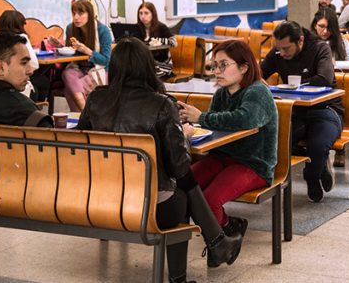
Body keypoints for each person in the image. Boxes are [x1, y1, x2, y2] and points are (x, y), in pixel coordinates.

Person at [78, 38, 242, 280]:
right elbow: (180, 167)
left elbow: (80, 141)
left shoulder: (96, 99)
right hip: (148, 208)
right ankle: (195, 263)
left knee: (183, 190)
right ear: (148, 66)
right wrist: (185, 137)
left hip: (101, 200)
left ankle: (218, 243)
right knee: (183, 194)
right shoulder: (161, 104)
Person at [178, 40, 277, 256]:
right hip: (220, 157)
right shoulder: (222, 93)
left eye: (223, 65)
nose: (217, 71)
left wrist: (201, 117)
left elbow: (246, 119)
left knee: (209, 200)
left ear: (244, 67)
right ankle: (229, 227)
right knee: (181, 187)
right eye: (214, 66)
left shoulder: (257, 91)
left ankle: (222, 240)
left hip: (253, 163)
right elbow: (213, 124)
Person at [261, 21, 343, 203]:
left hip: (326, 110)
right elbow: (259, 72)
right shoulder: (278, 53)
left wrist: (291, 86)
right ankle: (320, 167)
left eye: (286, 49)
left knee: (318, 145)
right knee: (280, 142)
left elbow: (324, 80)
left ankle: (312, 176)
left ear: (301, 40)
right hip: (294, 112)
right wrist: (258, 80)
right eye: (279, 49)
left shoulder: (320, 48)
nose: (282, 54)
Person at [49, 0, 112, 112]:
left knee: (70, 88)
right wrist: (59, 46)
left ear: (90, 14)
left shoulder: (103, 31)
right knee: (67, 73)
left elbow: (106, 60)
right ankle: (85, 114)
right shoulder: (70, 28)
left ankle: (83, 116)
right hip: (78, 68)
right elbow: (70, 53)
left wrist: (88, 51)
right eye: (73, 13)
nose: (76, 17)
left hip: (98, 70)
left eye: (80, 13)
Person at [0, 10, 46, 100]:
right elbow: (34, 64)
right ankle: (40, 106)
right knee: (44, 81)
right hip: (17, 85)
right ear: (19, 25)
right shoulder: (21, 38)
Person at [136, 2, 177, 66]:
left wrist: (158, 40)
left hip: (162, 64)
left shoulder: (161, 27)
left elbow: (174, 42)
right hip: (144, 63)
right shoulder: (137, 28)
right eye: (140, 13)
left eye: (146, 13)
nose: (143, 16)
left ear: (153, 14)